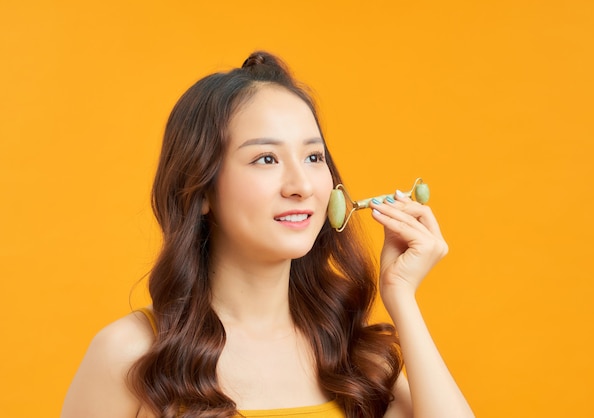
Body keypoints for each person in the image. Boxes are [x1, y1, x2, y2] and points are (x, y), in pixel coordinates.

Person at [61, 51, 474, 418]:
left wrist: (401, 296)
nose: (302, 185)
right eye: (266, 158)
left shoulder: (356, 360)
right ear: (202, 188)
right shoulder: (130, 355)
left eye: (313, 156)